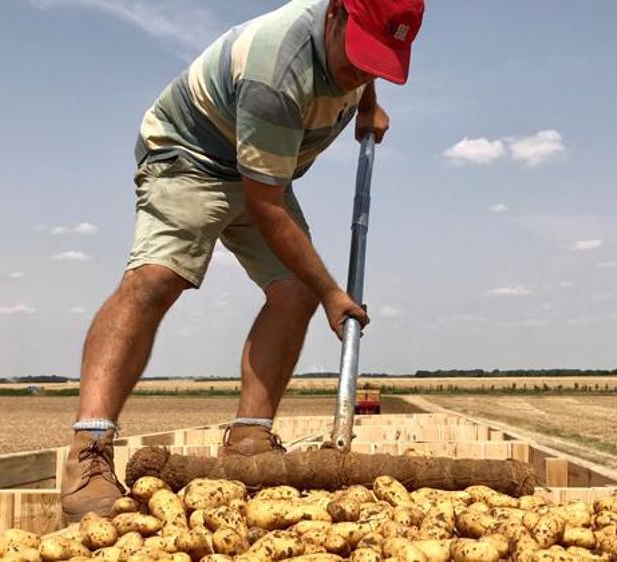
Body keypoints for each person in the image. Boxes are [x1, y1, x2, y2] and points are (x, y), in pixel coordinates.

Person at [59, 0, 425, 522]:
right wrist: (331, 292)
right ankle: (88, 453)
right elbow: (266, 205)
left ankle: (250, 439)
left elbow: (365, 55)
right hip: (193, 155)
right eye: (360, 57)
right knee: (157, 278)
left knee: (293, 290)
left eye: (380, 60)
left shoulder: (356, 48)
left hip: (259, 171)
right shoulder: (276, 69)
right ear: (336, 13)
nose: (361, 70)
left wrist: (367, 100)